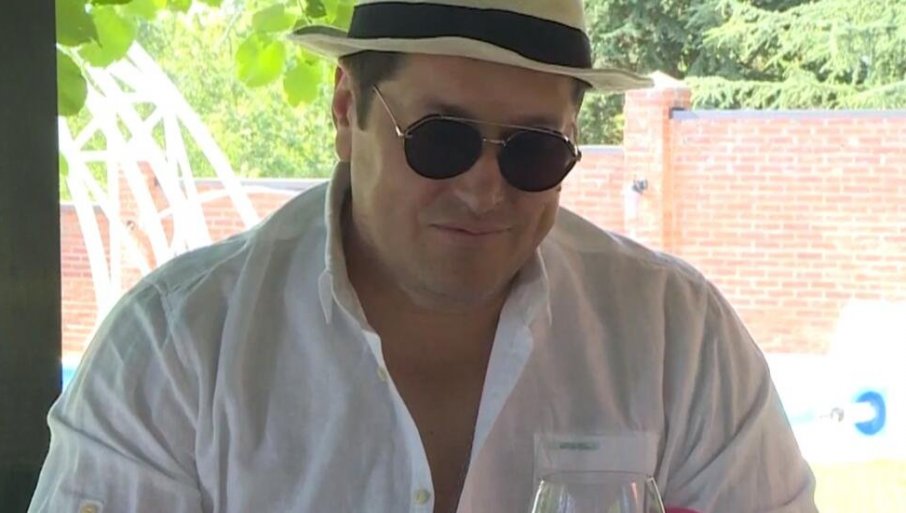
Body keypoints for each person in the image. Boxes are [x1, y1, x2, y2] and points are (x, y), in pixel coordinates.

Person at [29, 1, 819, 512]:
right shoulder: (174, 348)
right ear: (346, 110)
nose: (484, 189)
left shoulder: (678, 337)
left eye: (535, 151)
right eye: (442, 139)